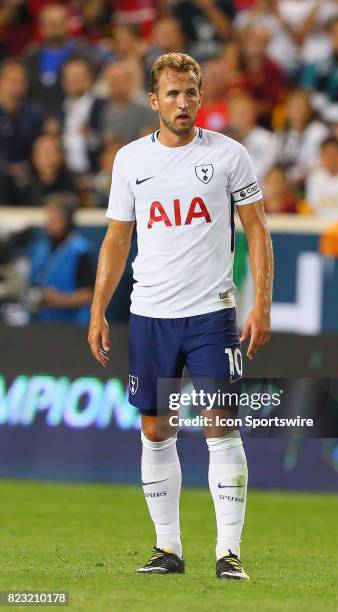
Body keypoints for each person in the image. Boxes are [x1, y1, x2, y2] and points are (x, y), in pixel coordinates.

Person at [88, 52, 273, 580]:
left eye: (191, 92)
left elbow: (257, 229)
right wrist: (99, 308)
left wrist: (261, 301)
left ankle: (228, 553)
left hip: (213, 314)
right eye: (172, 93)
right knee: (154, 430)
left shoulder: (230, 155)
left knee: (221, 427)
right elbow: (117, 238)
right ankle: (167, 549)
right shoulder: (130, 161)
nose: (183, 102)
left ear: (201, 96)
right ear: (154, 101)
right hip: (149, 313)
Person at [30, 192, 94, 324]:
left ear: (67, 221)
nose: (48, 224)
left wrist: (60, 299)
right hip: (44, 323)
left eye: (54, 220)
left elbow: (89, 295)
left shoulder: (81, 251)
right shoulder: (41, 249)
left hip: (73, 327)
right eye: (48, 219)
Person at [0, 58, 44, 205]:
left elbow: (37, 148)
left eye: (21, 82)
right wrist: (6, 168)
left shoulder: (34, 114)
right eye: (13, 81)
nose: (17, 87)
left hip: (28, 176)